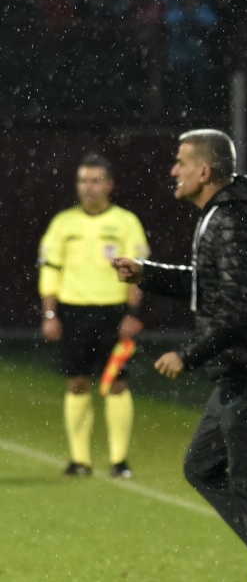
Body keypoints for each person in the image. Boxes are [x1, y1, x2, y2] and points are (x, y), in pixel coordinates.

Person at [114, 129, 247, 582]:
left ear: (204, 170)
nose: (173, 171)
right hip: (242, 368)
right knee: (202, 467)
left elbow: (240, 309)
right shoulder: (224, 215)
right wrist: (147, 272)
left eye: (181, 162)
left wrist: (187, 354)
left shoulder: (234, 219)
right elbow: (211, 284)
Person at [37, 154, 148, 478]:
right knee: (77, 382)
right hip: (73, 313)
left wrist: (132, 313)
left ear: (109, 184)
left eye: (95, 180)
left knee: (116, 383)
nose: (89, 187)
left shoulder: (126, 222)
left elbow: (138, 274)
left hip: (113, 313)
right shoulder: (63, 223)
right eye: (83, 180)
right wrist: (50, 314)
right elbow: (50, 270)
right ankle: (79, 460)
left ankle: (119, 460)